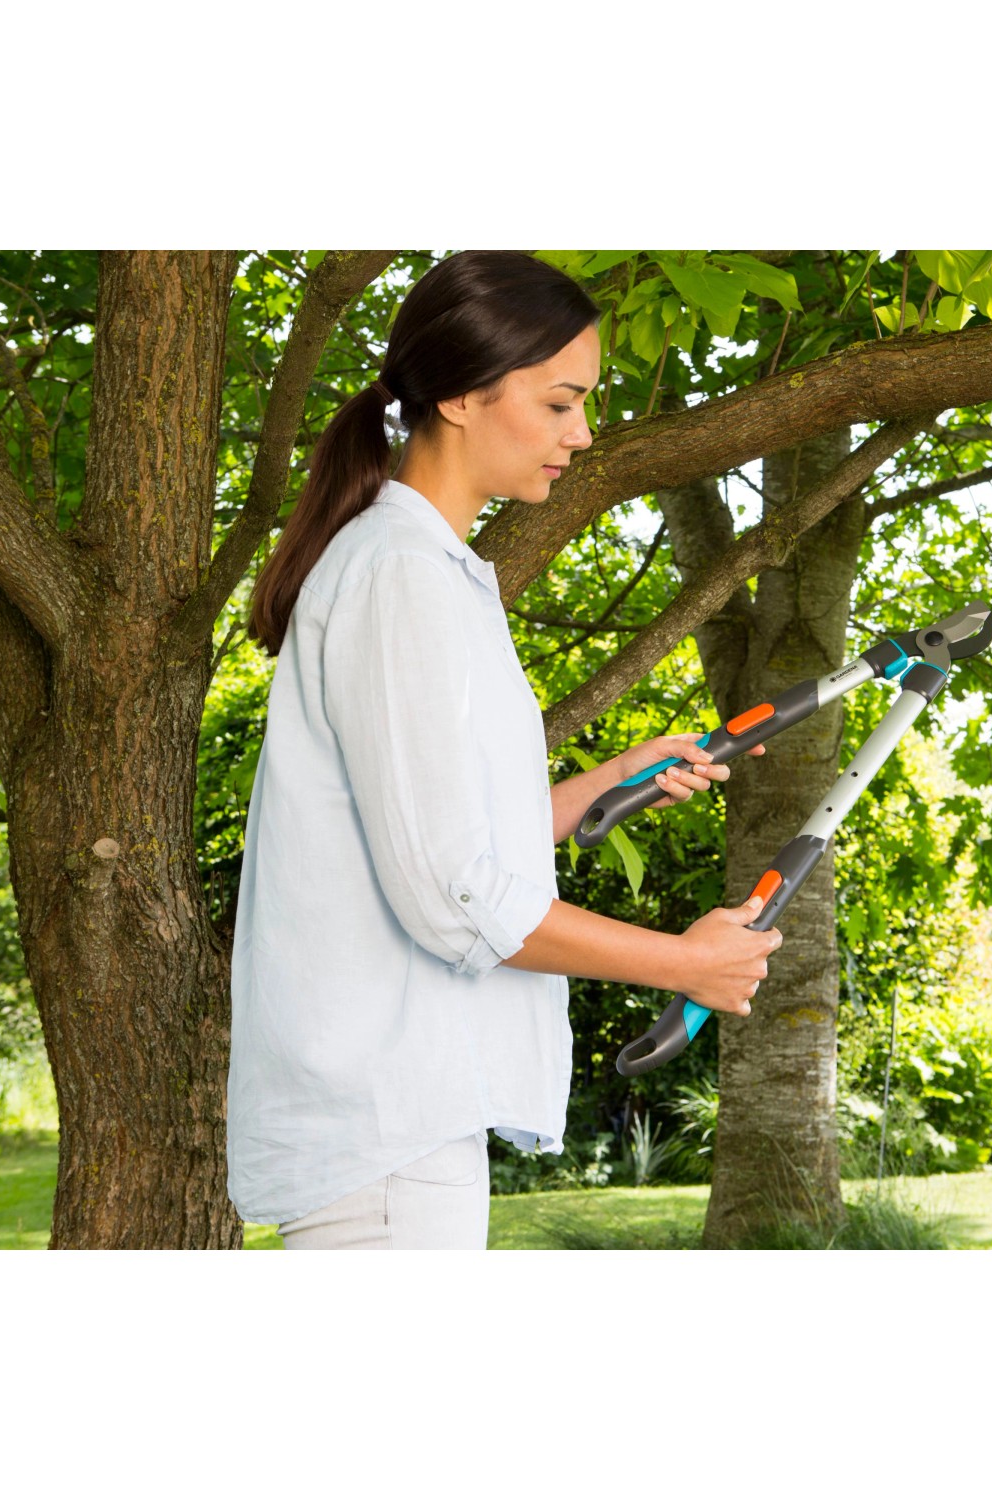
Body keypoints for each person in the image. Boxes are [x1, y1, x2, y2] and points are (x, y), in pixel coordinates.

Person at [225, 250, 781, 1250]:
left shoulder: (430, 572)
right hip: (388, 1135)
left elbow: (434, 836)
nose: (584, 432)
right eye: (561, 402)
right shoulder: (402, 578)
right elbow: (451, 896)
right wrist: (684, 965)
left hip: (405, 1126)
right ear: (460, 397)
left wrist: (608, 782)